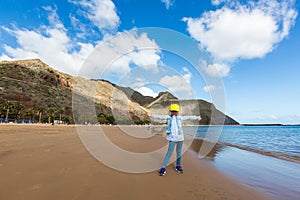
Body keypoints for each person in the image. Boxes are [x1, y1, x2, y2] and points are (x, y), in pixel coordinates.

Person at [150, 104, 201, 176]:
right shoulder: (168, 117)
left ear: (178, 111)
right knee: (169, 152)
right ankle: (163, 167)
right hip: (172, 138)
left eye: (175, 111)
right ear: (171, 111)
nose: (174, 113)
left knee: (179, 152)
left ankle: (178, 165)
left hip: (180, 138)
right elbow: (160, 117)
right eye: (173, 111)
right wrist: (151, 115)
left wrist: (196, 117)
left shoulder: (179, 118)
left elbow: (188, 117)